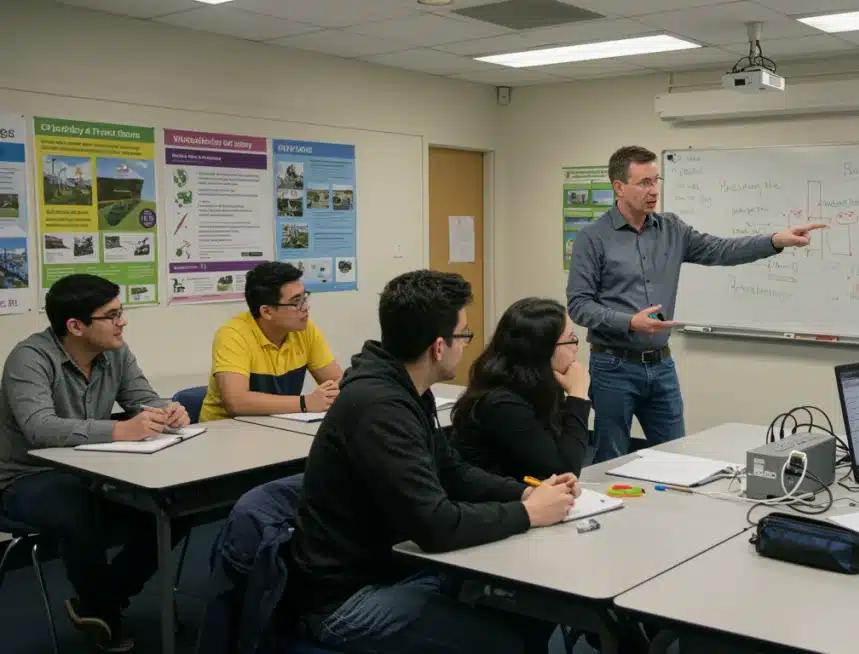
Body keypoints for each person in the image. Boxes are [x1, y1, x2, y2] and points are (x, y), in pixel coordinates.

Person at [287, 270, 577, 653]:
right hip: (348, 601)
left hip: (395, 567)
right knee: (512, 639)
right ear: (439, 346)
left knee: (529, 611)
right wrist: (529, 514)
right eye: (464, 336)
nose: (467, 346)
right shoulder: (379, 408)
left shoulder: (403, 388)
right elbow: (435, 525)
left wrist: (526, 493)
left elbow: (452, 471)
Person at [566, 145, 825, 463]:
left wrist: (774, 241)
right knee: (610, 457)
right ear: (619, 187)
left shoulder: (671, 229)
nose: (654, 190)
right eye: (644, 182)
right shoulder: (593, 237)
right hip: (613, 366)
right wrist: (629, 321)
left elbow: (721, 250)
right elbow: (579, 305)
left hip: (661, 365)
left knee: (678, 456)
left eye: (656, 180)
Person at [0, 274, 190, 652]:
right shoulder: (30, 358)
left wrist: (167, 412)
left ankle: (100, 602)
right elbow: (39, 428)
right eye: (112, 315)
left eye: (121, 312)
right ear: (75, 326)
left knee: (175, 504)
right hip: (26, 476)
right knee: (74, 503)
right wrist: (121, 431)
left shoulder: (115, 351)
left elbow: (144, 399)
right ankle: (107, 610)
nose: (123, 322)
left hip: (93, 468)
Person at [451, 297, 592, 481]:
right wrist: (578, 395)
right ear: (543, 351)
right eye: (570, 340)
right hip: (488, 505)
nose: (575, 348)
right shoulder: (502, 403)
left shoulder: (541, 385)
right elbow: (564, 471)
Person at [199, 261, 342, 422]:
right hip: (225, 432)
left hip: (280, 426)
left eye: (305, 297)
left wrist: (335, 391)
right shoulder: (233, 335)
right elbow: (236, 402)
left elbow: (339, 382)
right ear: (266, 311)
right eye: (296, 301)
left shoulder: (305, 329)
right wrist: (305, 402)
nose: (306, 307)